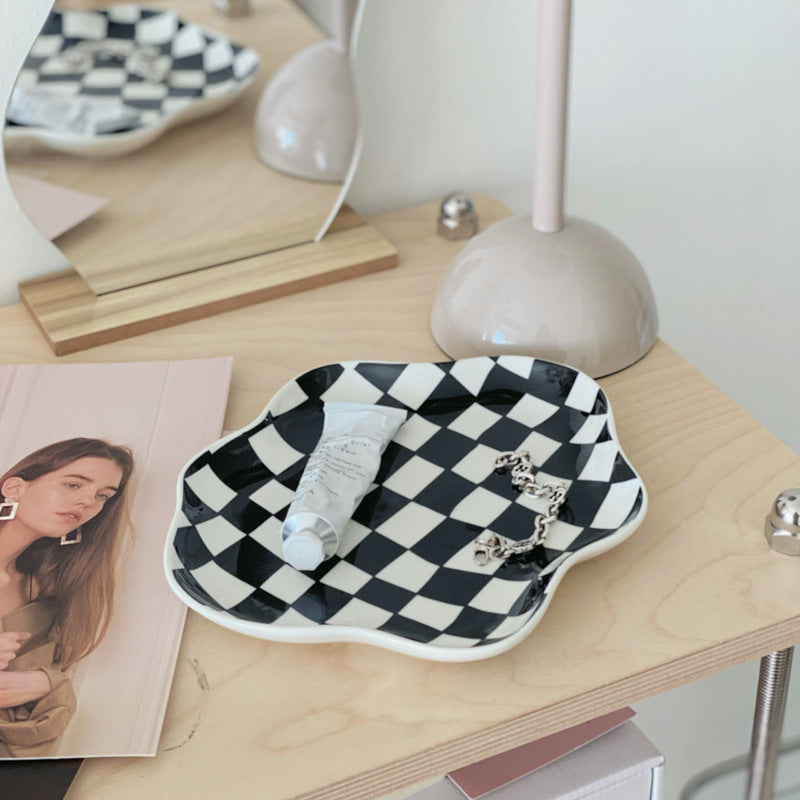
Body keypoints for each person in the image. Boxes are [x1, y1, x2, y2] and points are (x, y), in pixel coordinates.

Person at [0, 438, 134, 757]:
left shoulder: (38, 594)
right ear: (15, 488)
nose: (88, 501)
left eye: (103, 496)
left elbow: (23, 720)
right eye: (73, 484)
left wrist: (50, 683)